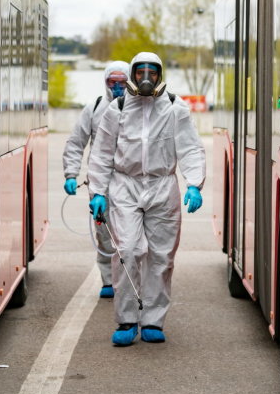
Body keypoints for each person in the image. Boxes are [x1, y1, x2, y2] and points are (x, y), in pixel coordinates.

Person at [87, 52, 206, 345]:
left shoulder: (176, 109)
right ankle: (127, 319)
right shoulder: (118, 109)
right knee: (126, 249)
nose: (146, 78)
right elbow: (101, 153)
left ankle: (153, 320)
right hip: (125, 186)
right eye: (140, 72)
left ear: (160, 75)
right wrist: (98, 191)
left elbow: (190, 147)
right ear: (132, 74)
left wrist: (194, 183)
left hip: (163, 186)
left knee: (161, 256)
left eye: (152, 72)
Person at [62, 60, 129, 298]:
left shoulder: (137, 108)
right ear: (105, 82)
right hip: (101, 184)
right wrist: (71, 173)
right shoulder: (95, 108)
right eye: (113, 82)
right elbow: (76, 143)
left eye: (122, 82)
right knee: (104, 233)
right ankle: (109, 280)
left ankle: (131, 278)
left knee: (131, 234)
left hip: (131, 183)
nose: (118, 87)